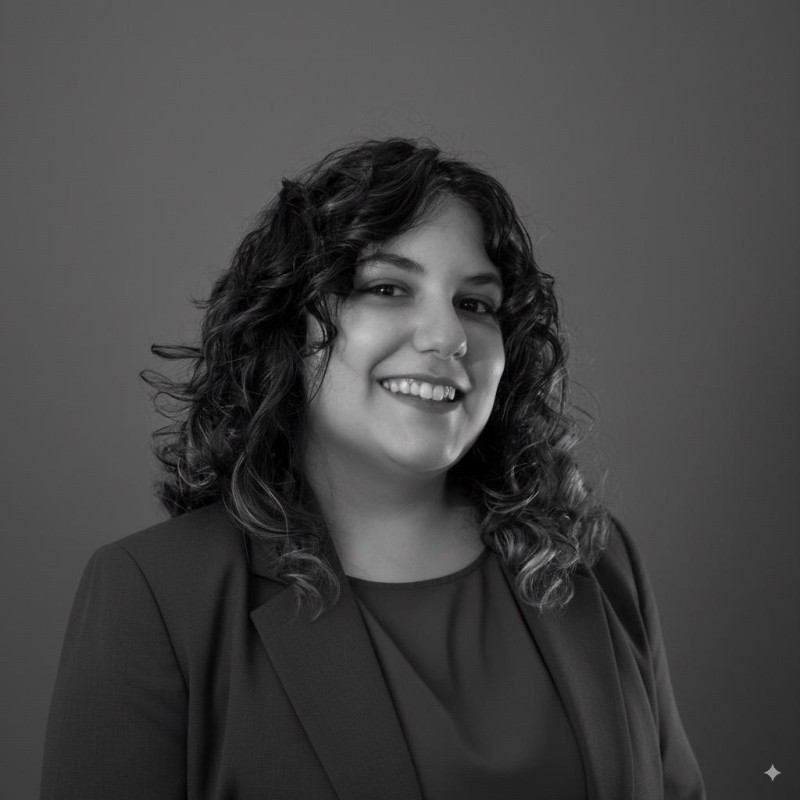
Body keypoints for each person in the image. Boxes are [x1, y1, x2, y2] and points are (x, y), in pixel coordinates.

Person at [40, 138, 705, 799]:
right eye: (387, 288)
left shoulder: (596, 559)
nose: (447, 337)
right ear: (288, 325)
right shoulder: (156, 595)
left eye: (476, 303)